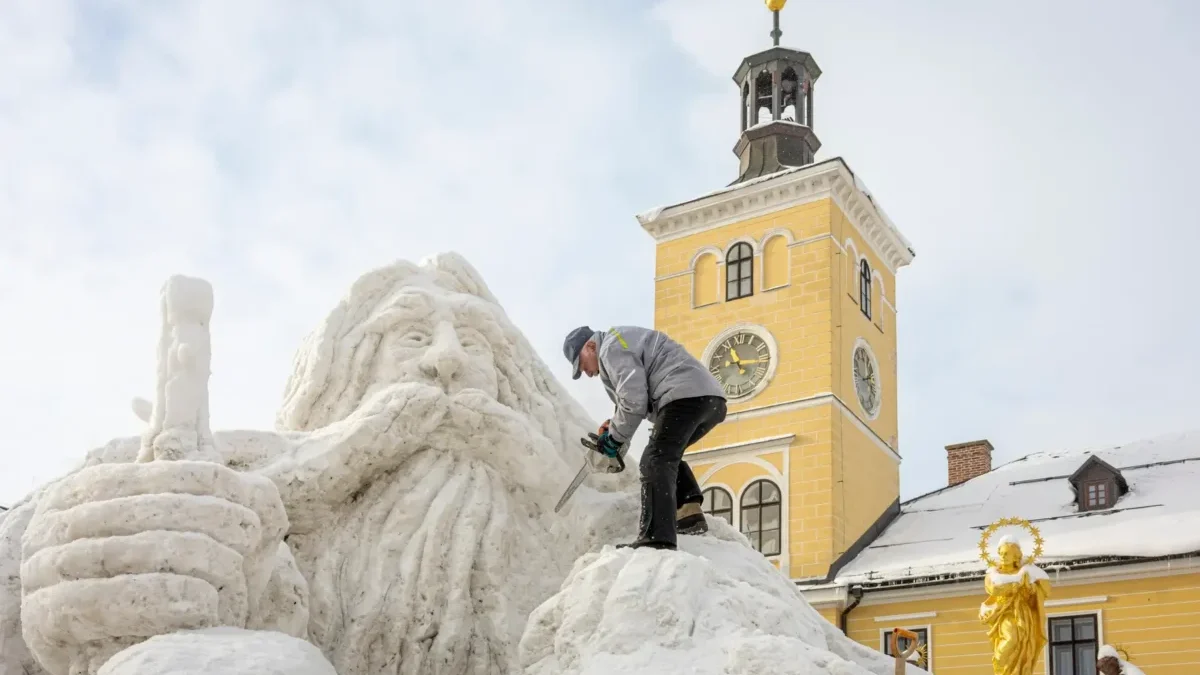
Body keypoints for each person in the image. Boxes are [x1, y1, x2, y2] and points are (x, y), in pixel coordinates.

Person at [562, 324, 727, 550]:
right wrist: (614, 430)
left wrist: (614, 439)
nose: (587, 373)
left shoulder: (610, 348)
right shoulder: (620, 343)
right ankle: (689, 514)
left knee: (654, 460)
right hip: (709, 401)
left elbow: (633, 401)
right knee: (666, 454)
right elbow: (631, 403)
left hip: (684, 395)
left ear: (590, 346)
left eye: (582, 365)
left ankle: (657, 539)